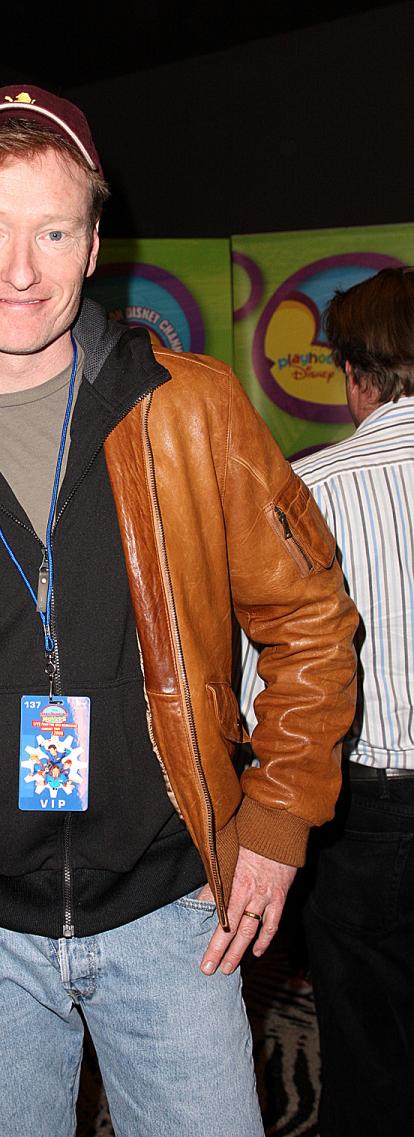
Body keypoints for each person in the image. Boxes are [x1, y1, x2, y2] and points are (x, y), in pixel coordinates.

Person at [0, 86, 358, 1137]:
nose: (21, 269)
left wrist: (279, 819)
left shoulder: (193, 412)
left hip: (174, 915)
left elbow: (314, 622)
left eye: (53, 229)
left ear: (94, 242)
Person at [243, 267, 414, 1135]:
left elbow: (261, 685)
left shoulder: (312, 489)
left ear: (354, 375)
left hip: (370, 815)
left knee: (369, 1049)